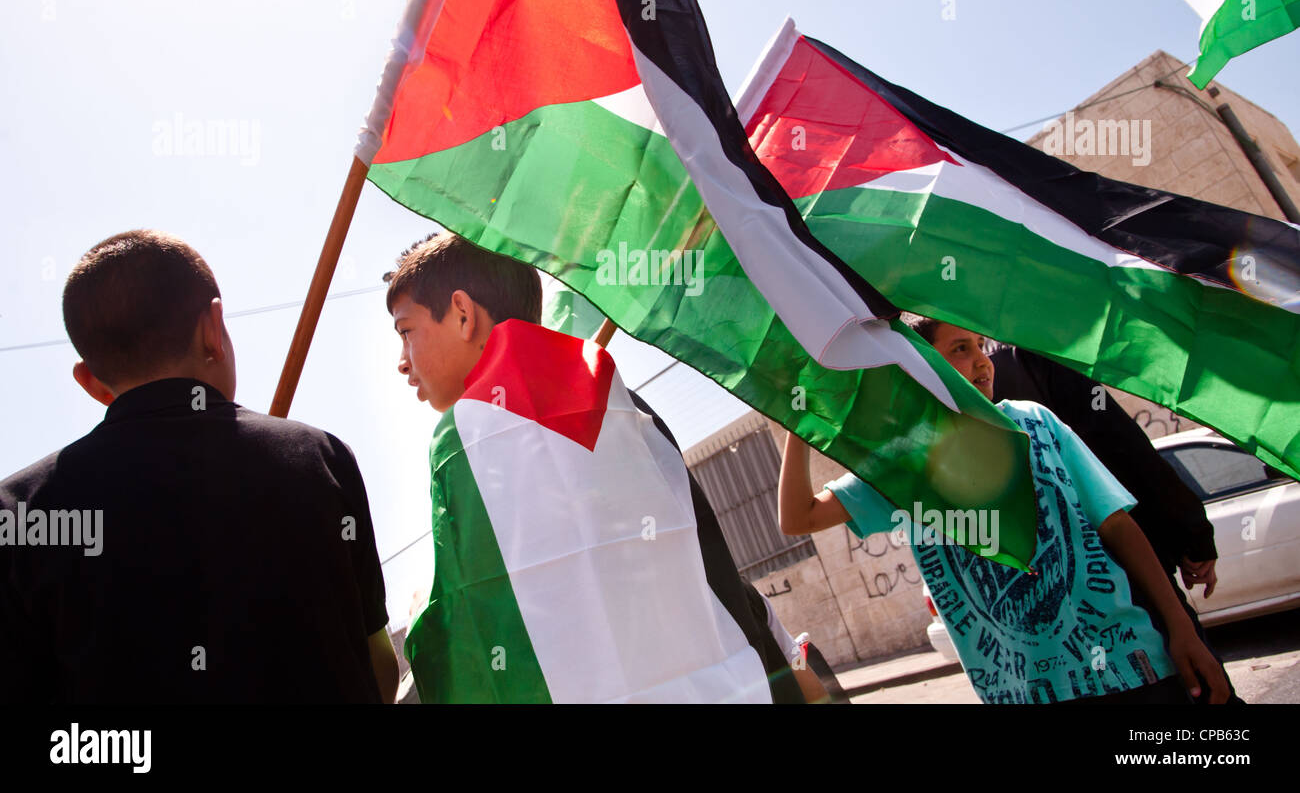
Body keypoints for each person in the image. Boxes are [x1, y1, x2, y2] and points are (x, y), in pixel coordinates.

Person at [385, 231, 802, 703]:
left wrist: (425, 608)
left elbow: (474, 636)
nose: (403, 362)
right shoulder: (625, 404)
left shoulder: (466, 438)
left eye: (406, 331)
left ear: (462, 313)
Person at [0, 230, 397, 703]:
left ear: (90, 381)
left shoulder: (19, 510)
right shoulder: (321, 457)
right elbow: (379, 667)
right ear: (213, 328)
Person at [777, 315, 1230, 704]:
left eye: (981, 346)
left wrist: (1181, 629)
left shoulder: (1035, 422)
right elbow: (798, 517)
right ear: (920, 366)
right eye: (960, 348)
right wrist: (799, 424)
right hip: (1024, 693)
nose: (982, 361)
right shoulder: (902, 465)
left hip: (1132, 672)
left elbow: (1117, 525)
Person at [988, 341, 1239, 702]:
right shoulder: (1033, 359)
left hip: (1046, 624)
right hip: (1126, 584)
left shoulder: (948, 396)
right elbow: (1127, 451)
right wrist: (1192, 534)